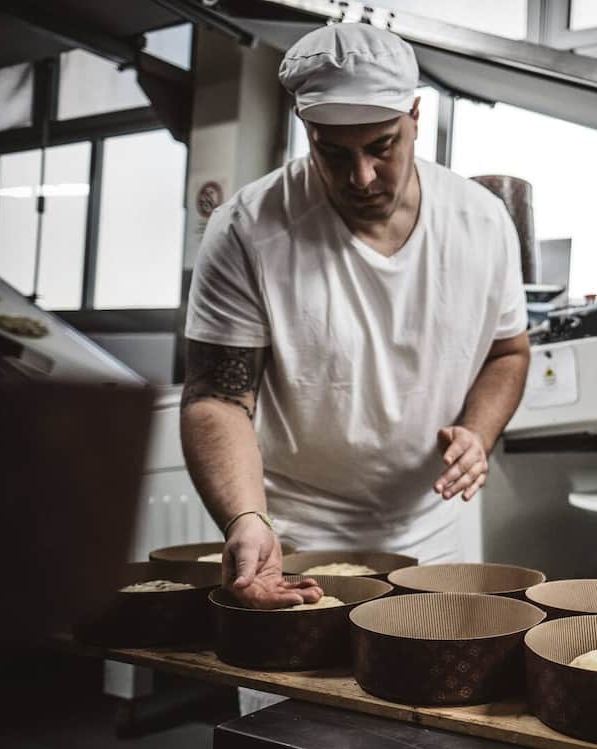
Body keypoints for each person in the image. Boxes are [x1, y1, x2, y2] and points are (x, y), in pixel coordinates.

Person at [181, 23, 530, 611]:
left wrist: (479, 431)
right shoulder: (248, 227)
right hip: (294, 531)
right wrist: (244, 516)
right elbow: (217, 397)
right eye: (333, 152)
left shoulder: (482, 221)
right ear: (306, 132)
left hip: (436, 528)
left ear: (415, 117)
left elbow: (508, 351)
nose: (361, 177)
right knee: (294, 699)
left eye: (382, 147)